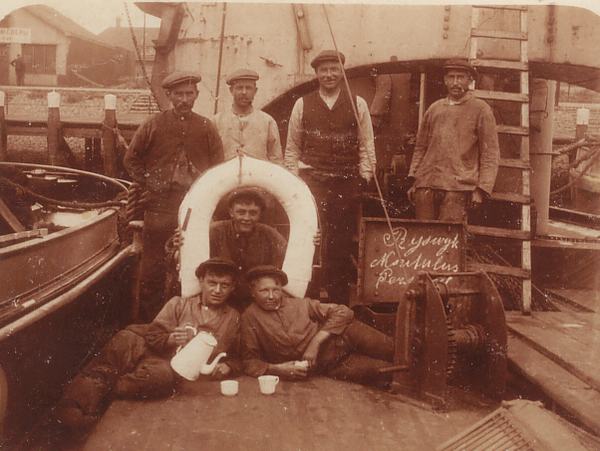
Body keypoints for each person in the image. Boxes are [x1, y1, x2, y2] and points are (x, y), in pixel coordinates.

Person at [54, 258, 242, 430]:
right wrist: (171, 338)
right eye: (212, 283)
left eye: (224, 285)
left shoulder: (233, 318)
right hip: (139, 342)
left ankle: (100, 398)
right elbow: (153, 333)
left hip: (165, 363)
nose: (217, 290)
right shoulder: (179, 304)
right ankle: (71, 408)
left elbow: (238, 355)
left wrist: (228, 367)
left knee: (161, 379)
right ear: (201, 281)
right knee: (107, 363)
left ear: (232, 287)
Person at [123, 71, 224, 321]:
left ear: (196, 95)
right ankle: (151, 322)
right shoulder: (153, 124)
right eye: (179, 94)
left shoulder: (206, 127)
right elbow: (131, 159)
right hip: (159, 207)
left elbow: (218, 167)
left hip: (195, 208)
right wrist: (149, 183)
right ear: (169, 95)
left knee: (194, 264)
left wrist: (204, 191)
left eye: (189, 94)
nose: (184, 99)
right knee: (153, 269)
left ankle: (190, 319)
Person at [284, 49, 376, 304]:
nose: (329, 75)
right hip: (312, 181)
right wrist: (294, 179)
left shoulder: (358, 103)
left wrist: (364, 176)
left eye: (334, 69)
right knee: (309, 237)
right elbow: (292, 147)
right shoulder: (302, 104)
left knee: (340, 242)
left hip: (345, 182)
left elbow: (367, 143)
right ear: (316, 74)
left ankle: (337, 303)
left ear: (342, 72)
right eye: (323, 70)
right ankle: (307, 299)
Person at [240, 265, 394, 388]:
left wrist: (315, 343)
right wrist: (278, 369)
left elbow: (343, 311)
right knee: (389, 373)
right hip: (332, 365)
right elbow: (249, 362)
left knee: (395, 351)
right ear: (252, 292)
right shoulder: (249, 318)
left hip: (348, 335)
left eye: (276, 290)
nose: (271, 296)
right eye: (264, 291)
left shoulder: (301, 304)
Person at [407, 59, 500, 221]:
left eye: (461, 77)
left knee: (449, 234)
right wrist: (415, 179)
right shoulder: (434, 108)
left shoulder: (481, 109)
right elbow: (421, 147)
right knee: (423, 233)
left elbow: (490, 153)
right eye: (451, 77)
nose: (455, 82)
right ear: (445, 80)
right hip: (426, 184)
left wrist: (481, 189)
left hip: (458, 187)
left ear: (470, 80)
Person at [166, 187, 288, 310]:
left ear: (260, 213)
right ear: (231, 212)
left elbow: (287, 261)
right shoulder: (213, 231)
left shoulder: (271, 235)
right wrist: (179, 246)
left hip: (255, 303)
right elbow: (176, 257)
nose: (247, 218)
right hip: (218, 300)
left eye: (253, 213)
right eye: (241, 212)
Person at [213, 68, 283, 164]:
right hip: (228, 173)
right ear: (231, 90)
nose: (244, 92)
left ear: (255, 91)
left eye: (248, 88)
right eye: (239, 88)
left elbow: (276, 160)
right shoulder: (217, 121)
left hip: (257, 173)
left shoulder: (267, 121)